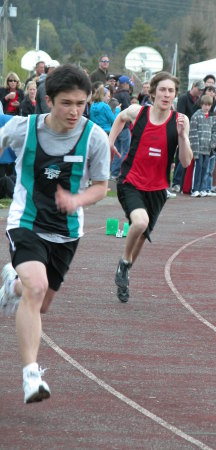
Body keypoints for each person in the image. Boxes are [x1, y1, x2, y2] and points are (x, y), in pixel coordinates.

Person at [0, 64, 110, 404]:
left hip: (67, 232)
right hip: (27, 220)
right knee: (37, 286)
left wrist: (76, 199)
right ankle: (31, 376)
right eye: (66, 103)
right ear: (49, 101)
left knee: (41, 303)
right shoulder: (22, 129)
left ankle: (10, 284)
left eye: (81, 103)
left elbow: (103, 187)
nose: (74, 111)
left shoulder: (95, 137)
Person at [109, 71, 192, 303]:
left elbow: (186, 162)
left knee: (142, 235)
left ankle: (124, 274)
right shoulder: (139, 112)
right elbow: (121, 117)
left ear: (175, 95)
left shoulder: (179, 121)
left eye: (171, 91)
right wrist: (110, 141)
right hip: (131, 181)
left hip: (157, 188)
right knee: (140, 222)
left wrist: (184, 137)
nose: (166, 95)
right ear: (153, 92)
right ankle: (124, 263)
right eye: (163, 90)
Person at [189, 94, 216, 197]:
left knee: (206, 169)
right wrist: (195, 149)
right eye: (205, 104)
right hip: (198, 148)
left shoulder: (212, 117)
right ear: (201, 104)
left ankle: (203, 188)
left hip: (208, 149)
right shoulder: (196, 116)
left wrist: (212, 144)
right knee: (198, 168)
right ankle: (195, 189)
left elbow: (215, 131)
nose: (207, 107)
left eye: (209, 105)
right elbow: (193, 133)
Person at [109, 75, 133, 179]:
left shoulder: (115, 94)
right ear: (126, 84)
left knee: (117, 150)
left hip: (115, 126)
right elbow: (129, 111)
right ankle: (123, 173)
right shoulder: (125, 95)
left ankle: (114, 173)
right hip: (124, 126)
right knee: (126, 150)